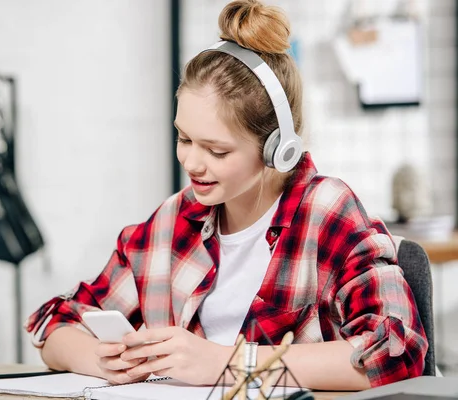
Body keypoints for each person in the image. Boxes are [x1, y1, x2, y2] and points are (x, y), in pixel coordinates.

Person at [26, 0, 427, 391]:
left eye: (217, 151)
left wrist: (224, 362)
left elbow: (396, 350)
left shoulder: (325, 212)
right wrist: (101, 358)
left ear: (277, 149)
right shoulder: (174, 221)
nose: (192, 163)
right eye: (183, 138)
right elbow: (55, 325)